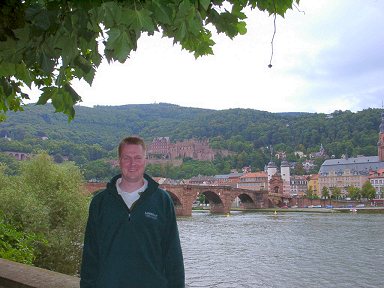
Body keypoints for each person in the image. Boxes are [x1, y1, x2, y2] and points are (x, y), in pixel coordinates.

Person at [80, 136, 185, 288]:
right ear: (119, 161)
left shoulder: (162, 201)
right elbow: (90, 256)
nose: (132, 164)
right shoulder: (100, 202)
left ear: (145, 160)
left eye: (137, 157)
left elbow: (173, 256)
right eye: (126, 158)